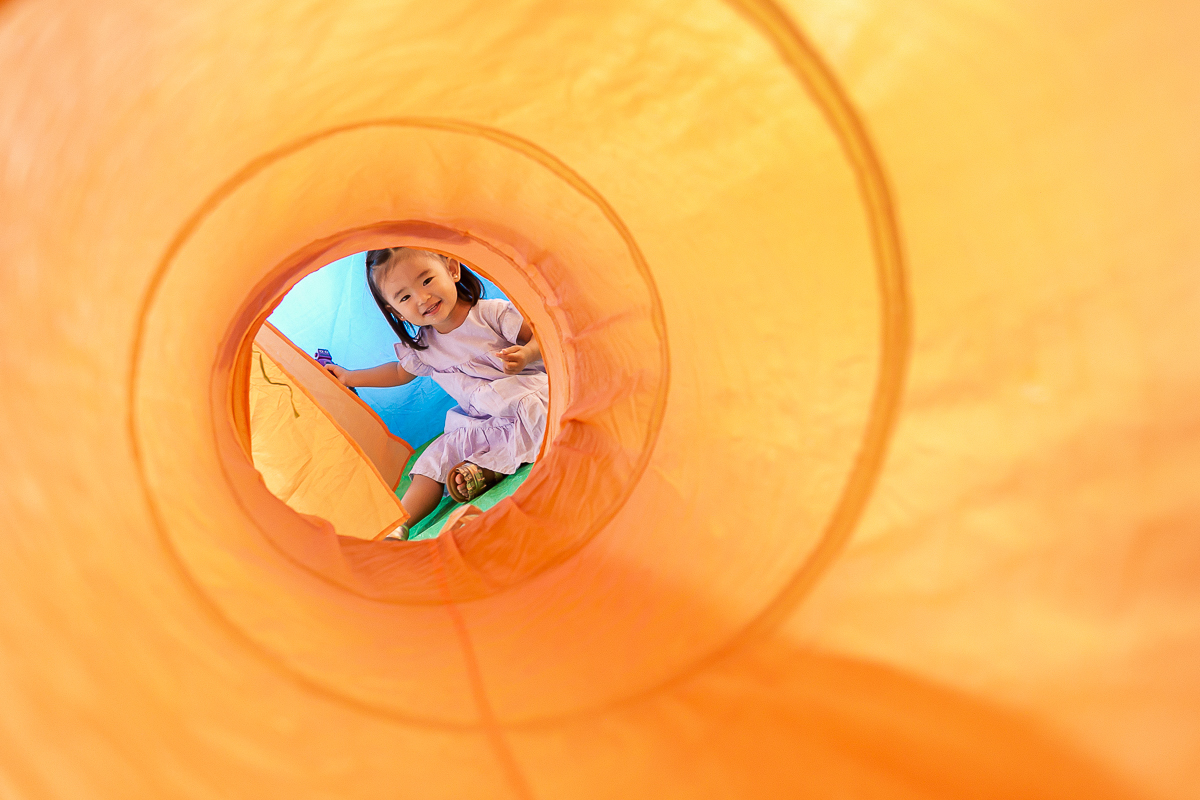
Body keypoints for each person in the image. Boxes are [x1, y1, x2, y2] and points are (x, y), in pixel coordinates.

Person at [325, 247, 548, 540]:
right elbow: (398, 373)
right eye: (404, 297)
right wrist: (349, 376)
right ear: (396, 311)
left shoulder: (490, 314)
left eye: (426, 280)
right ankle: (399, 524)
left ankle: (488, 470)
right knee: (434, 459)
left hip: (522, 397)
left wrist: (527, 353)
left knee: (533, 411)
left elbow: (541, 337)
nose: (422, 298)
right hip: (480, 420)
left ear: (452, 270)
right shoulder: (425, 348)